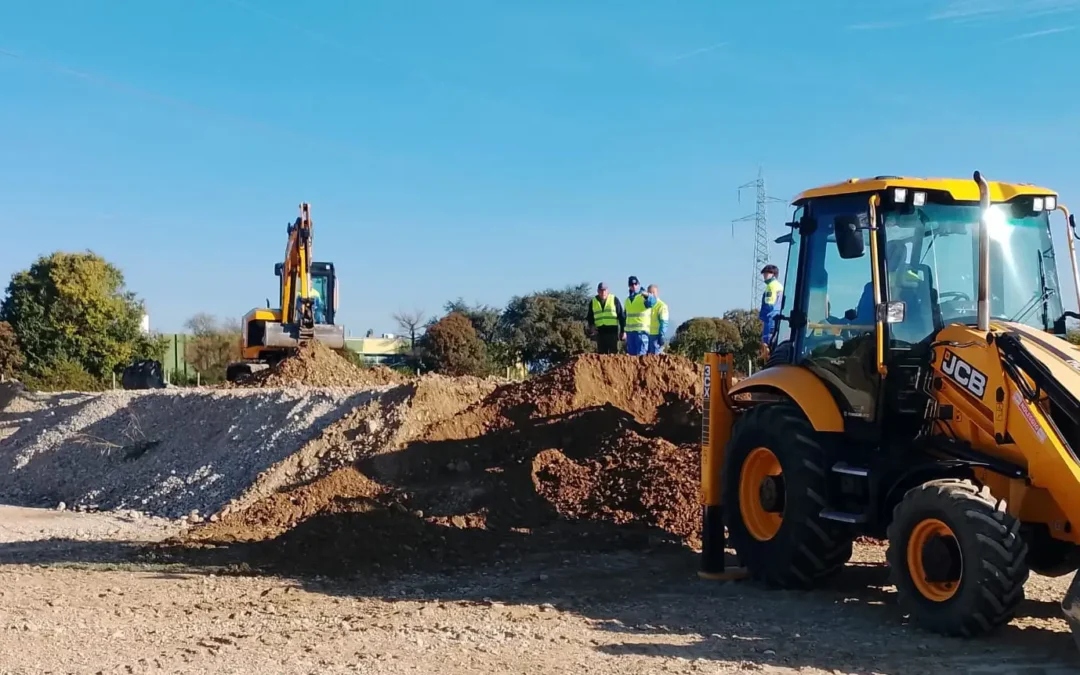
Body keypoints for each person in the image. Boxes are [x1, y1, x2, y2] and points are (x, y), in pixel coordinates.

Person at [586, 282, 625, 354]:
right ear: (598, 291)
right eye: (601, 290)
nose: (603, 292)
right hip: (600, 332)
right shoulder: (593, 301)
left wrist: (623, 331)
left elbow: (621, 316)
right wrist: (592, 326)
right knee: (601, 354)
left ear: (608, 291)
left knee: (613, 354)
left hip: (612, 332)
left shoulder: (614, 299)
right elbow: (590, 317)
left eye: (605, 290)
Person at [624, 275, 656, 356]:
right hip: (630, 333)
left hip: (641, 332)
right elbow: (625, 316)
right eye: (632, 285)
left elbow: (652, 302)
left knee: (641, 357)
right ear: (629, 286)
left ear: (638, 284)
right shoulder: (627, 300)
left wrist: (648, 295)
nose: (634, 286)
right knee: (632, 358)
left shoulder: (643, 297)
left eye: (635, 284)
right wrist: (623, 331)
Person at [759, 264, 783, 356]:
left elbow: (769, 307)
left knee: (768, 351)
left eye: (766, 273)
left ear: (773, 274)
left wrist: (765, 339)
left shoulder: (771, 287)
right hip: (778, 321)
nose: (764, 276)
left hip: (770, 321)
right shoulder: (779, 286)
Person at [647, 284, 669, 354]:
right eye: (650, 293)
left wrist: (661, 335)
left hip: (656, 337)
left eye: (653, 292)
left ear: (657, 293)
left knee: (655, 358)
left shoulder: (661, 306)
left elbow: (664, 322)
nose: (652, 294)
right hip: (646, 335)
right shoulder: (646, 305)